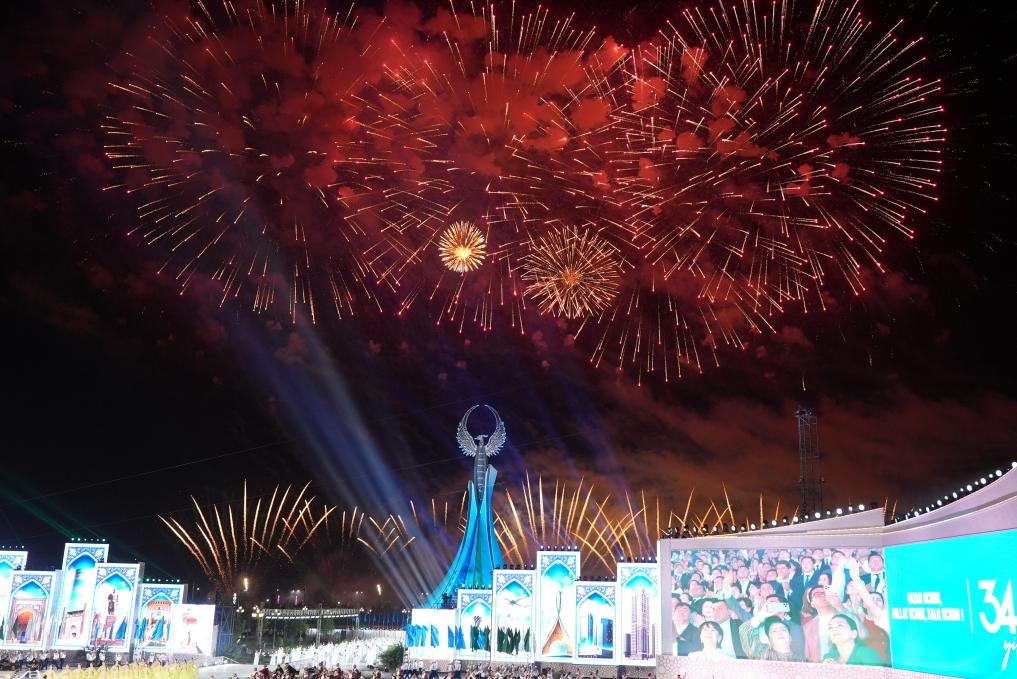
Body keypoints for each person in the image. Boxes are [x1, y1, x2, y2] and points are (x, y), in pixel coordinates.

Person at [739, 615, 804, 662]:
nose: (779, 632)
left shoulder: (802, 660)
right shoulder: (762, 654)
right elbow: (745, 630)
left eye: (783, 629)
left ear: (790, 637)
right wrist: (761, 615)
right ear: (768, 640)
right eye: (774, 631)